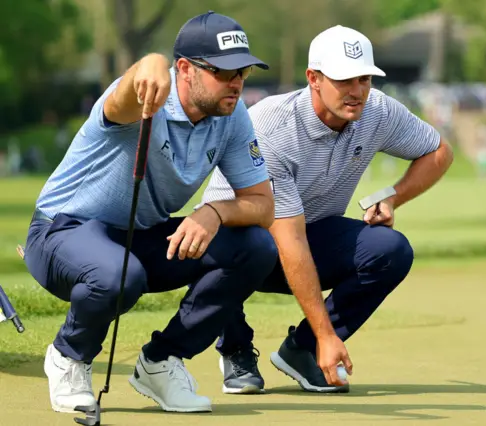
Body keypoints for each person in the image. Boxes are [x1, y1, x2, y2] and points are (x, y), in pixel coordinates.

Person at [23, 11, 276, 414]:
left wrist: (213, 212)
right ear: (184, 70)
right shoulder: (144, 97)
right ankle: (69, 356)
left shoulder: (232, 116)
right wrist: (149, 63)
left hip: (138, 238)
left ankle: (161, 361)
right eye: (224, 72)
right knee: (116, 273)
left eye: (243, 72)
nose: (237, 83)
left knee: (255, 246)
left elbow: (263, 206)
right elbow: (124, 95)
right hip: (61, 233)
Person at [201, 25, 454, 394]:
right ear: (313, 78)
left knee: (390, 250)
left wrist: (393, 196)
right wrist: (327, 334)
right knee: (244, 243)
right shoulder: (273, 125)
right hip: (240, 238)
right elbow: (288, 237)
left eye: (364, 78)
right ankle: (235, 347)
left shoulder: (376, 111)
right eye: (344, 80)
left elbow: (438, 152)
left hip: (311, 233)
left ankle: (301, 351)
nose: (357, 91)